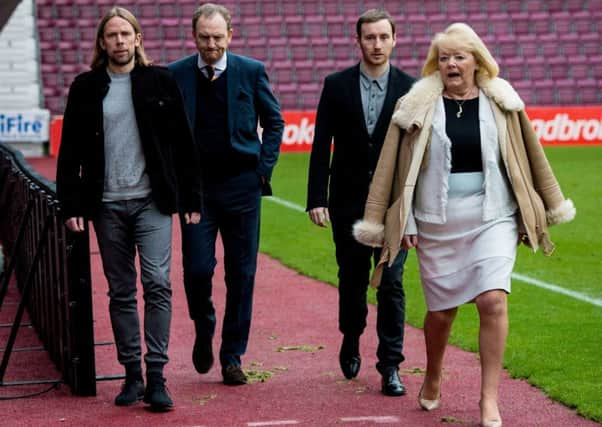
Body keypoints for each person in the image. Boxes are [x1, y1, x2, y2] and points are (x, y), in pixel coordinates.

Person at [353, 23, 575, 426]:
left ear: (477, 61)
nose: (451, 64)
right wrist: (398, 219)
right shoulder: (417, 103)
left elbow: (531, 156)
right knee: (442, 312)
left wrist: (544, 206)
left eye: (460, 56)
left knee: (493, 299)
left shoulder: (502, 101)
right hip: (437, 221)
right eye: (445, 57)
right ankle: (433, 374)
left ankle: (488, 400)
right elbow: (391, 168)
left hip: (493, 216)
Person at [56, 6, 202, 411]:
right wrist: (72, 204)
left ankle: (156, 374)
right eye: (112, 35)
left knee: (157, 283)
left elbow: (183, 144)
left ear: (138, 38)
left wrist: (191, 199)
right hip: (104, 205)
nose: (119, 41)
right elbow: (69, 152)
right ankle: (131, 375)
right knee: (121, 291)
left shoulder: (160, 80)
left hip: (151, 202)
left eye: (126, 34)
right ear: (102, 43)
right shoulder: (85, 87)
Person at [168, 3, 284, 386]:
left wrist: (262, 171)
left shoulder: (251, 71)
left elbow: (274, 120)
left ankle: (232, 355)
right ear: (194, 36)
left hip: (241, 189)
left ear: (230, 35)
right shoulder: (176, 74)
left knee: (242, 275)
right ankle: (204, 325)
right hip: (197, 192)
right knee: (197, 271)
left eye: (218, 37)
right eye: (204, 38)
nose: (212, 45)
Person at [306, 9, 415, 396]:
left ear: (394, 39)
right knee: (351, 280)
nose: (377, 44)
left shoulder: (411, 88)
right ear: (358, 41)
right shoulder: (336, 85)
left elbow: (416, 152)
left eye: (384, 37)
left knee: (392, 283)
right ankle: (351, 336)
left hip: (393, 205)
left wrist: (414, 209)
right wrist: (316, 197)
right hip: (347, 201)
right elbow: (321, 144)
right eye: (370, 37)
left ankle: (390, 365)